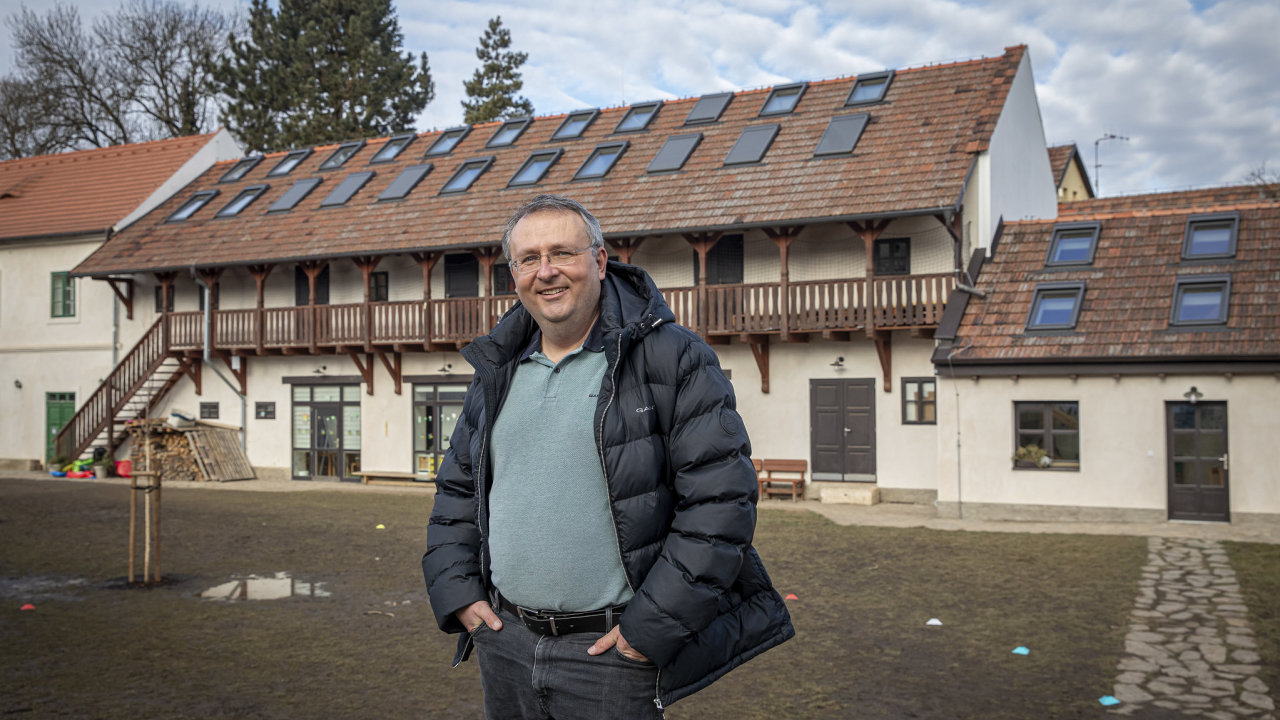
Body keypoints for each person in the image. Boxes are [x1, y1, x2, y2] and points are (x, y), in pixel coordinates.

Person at [422, 194, 793, 718]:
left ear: (599, 261)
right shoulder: (496, 370)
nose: (545, 272)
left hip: (610, 656)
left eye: (562, 254)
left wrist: (646, 633)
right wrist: (459, 595)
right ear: (514, 275)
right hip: (503, 642)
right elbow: (457, 492)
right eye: (529, 259)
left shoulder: (674, 356)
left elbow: (721, 505)